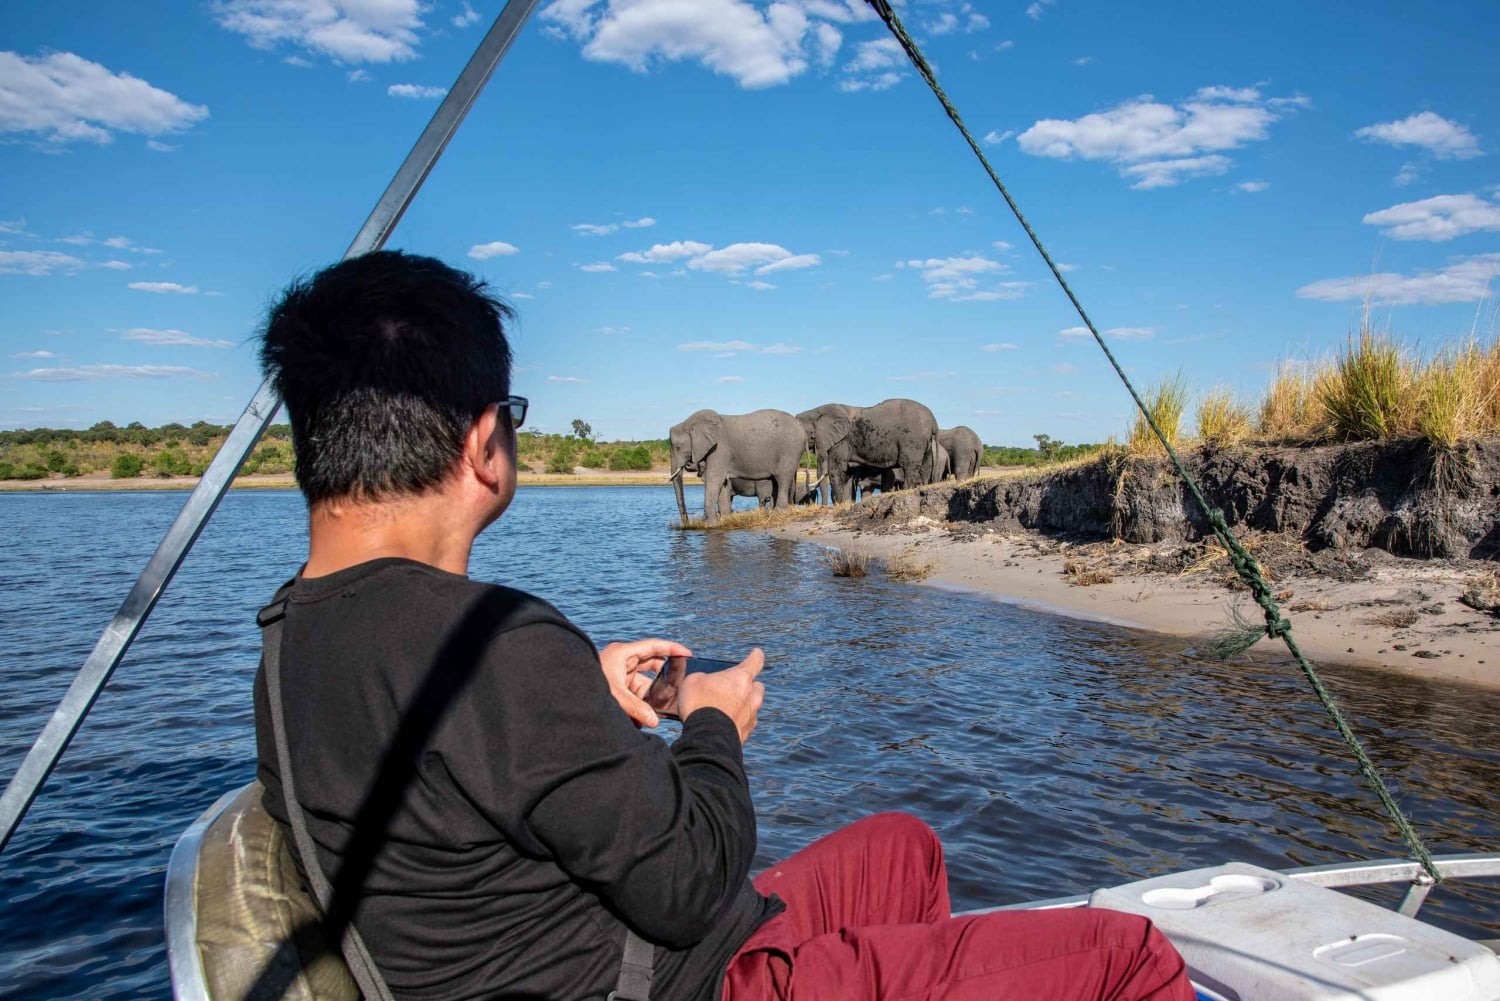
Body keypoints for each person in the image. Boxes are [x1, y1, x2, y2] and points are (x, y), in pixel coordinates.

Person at [253, 249, 1195, 1001]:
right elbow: (692, 878)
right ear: (482, 444)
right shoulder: (493, 642)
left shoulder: (291, 639)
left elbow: (458, 768)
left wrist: (581, 689)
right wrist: (711, 722)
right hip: (686, 980)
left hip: (634, 952)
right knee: (1134, 956)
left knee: (906, 848)